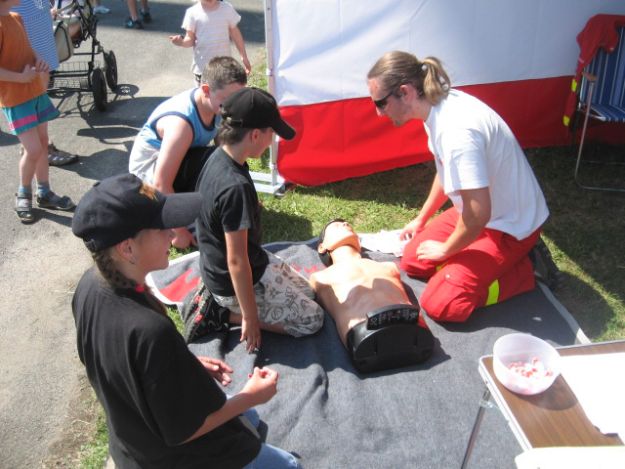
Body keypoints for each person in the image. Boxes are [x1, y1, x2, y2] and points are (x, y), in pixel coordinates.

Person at [71, 173, 301, 469]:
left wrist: (180, 365)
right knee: (288, 464)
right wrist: (250, 396)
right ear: (127, 249)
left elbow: (123, 370)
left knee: (249, 419)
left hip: (132, 440)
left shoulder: (89, 286)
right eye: (162, 227)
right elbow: (184, 433)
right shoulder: (150, 331)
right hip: (176, 458)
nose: (172, 233)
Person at [367, 51, 556, 323]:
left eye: (380, 103)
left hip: (510, 228)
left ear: (405, 92)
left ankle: (529, 268)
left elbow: (479, 214)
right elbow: (447, 170)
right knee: (412, 261)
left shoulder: (457, 132)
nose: (378, 112)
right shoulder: (436, 109)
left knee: (442, 304)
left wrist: (447, 250)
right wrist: (421, 219)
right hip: (480, 214)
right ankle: (474, 262)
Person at [194, 87, 324, 353]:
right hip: (232, 282)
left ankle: (232, 305)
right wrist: (250, 317)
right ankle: (220, 313)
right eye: (271, 134)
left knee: (310, 292)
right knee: (312, 319)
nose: (272, 141)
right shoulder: (234, 187)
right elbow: (237, 261)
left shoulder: (220, 154)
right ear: (255, 135)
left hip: (244, 262)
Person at [129, 55, 247, 248]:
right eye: (229, 99)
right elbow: (160, 183)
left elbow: (226, 154)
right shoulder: (181, 124)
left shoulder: (217, 104)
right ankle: (167, 216)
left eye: (238, 98)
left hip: (179, 162)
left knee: (228, 159)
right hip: (147, 181)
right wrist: (179, 231)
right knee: (206, 229)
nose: (234, 105)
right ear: (206, 90)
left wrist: (243, 194)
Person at [309, 219, 434, 372]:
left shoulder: (388, 266)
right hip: (365, 336)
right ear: (322, 247)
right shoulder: (320, 277)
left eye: (348, 224)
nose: (345, 224)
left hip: (414, 328)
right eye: (336, 226)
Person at [0, 0, 75, 223]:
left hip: (35, 91)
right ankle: (23, 194)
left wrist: (38, 59)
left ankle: (44, 191)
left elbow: (28, 47)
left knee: (42, 142)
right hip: (15, 98)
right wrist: (20, 78)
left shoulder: (16, 18)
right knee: (32, 149)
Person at [11, 0, 79, 166]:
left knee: (41, 82)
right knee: (33, 87)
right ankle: (37, 146)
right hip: (24, 21)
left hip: (38, 18)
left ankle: (37, 145)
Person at [170, 0, 251, 86]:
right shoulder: (192, 13)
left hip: (224, 66)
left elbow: (235, 33)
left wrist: (243, 56)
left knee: (225, 92)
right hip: (203, 68)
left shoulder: (226, 8)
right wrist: (181, 42)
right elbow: (190, 39)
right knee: (204, 92)